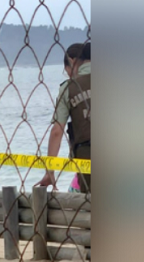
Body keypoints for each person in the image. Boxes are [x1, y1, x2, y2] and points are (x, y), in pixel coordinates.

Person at [36, 42, 91, 194]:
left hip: (87, 155)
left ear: (72, 61)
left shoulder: (68, 88)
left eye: (66, 69)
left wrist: (50, 171)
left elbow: (56, 131)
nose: (67, 73)